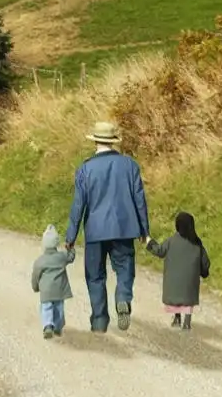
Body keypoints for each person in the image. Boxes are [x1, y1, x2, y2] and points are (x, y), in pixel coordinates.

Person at [63, 120, 149, 333]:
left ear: (95, 142)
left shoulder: (86, 168)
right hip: (124, 229)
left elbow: (78, 205)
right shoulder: (130, 165)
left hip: (95, 231)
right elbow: (140, 199)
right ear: (113, 142)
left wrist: (71, 235)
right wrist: (144, 230)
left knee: (95, 275)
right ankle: (123, 298)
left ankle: (99, 322)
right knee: (124, 268)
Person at [146, 211, 211, 331]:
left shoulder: (171, 241)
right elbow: (205, 262)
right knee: (187, 295)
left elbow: (159, 251)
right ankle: (187, 321)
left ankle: (177, 317)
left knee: (177, 293)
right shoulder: (197, 243)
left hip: (173, 284)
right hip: (189, 286)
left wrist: (149, 242)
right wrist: (204, 272)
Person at [29, 224, 76, 339]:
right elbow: (71, 257)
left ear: (44, 244)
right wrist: (70, 248)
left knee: (46, 308)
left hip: (46, 291)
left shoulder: (39, 261)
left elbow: (35, 276)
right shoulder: (61, 257)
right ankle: (58, 328)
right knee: (59, 309)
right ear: (56, 243)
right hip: (59, 290)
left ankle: (47, 326)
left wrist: (35, 287)